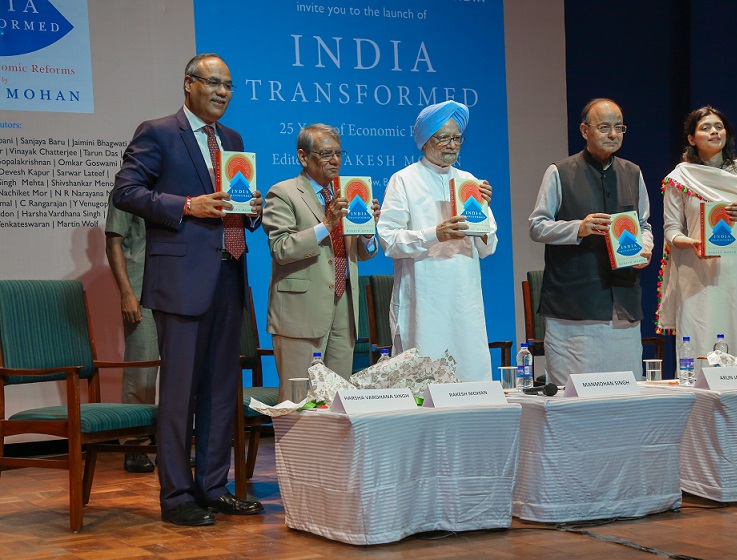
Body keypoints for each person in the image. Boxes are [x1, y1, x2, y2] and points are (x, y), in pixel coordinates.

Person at [112, 53, 265, 527]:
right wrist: (186, 205)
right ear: (188, 84)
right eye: (214, 83)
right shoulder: (158, 132)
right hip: (181, 282)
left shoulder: (233, 141)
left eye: (229, 86)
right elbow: (125, 191)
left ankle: (213, 487)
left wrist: (252, 209)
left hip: (229, 275)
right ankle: (177, 495)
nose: (222, 92)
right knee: (179, 393)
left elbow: (233, 204)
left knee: (221, 391)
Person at [529, 98, 653, 385]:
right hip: (574, 308)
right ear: (585, 130)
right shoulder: (560, 172)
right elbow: (537, 226)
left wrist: (645, 247)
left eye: (619, 127)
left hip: (622, 303)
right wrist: (578, 228)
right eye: (604, 127)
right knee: (574, 394)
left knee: (623, 392)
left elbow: (644, 224)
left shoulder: (633, 172)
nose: (613, 134)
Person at [377, 100, 498, 382]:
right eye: (443, 138)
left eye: (457, 138)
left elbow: (488, 246)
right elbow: (389, 240)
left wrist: (481, 217)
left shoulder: (470, 181)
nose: (452, 145)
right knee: (424, 378)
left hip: (464, 297)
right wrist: (435, 234)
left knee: (469, 373)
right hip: (423, 299)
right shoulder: (404, 180)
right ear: (425, 141)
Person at [656, 105, 737, 362]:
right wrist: (692, 243)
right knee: (700, 343)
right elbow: (671, 231)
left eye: (718, 127)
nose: (714, 132)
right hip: (698, 276)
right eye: (705, 128)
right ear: (691, 138)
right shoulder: (680, 177)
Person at [264, 124, 379, 383]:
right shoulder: (283, 192)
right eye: (326, 154)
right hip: (301, 311)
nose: (335, 160)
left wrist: (368, 232)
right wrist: (326, 225)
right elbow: (281, 248)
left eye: (339, 153)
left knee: (338, 396)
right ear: (303, 156)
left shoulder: (347, 193)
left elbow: (361, 254)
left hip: (344, 308)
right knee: (299, 397)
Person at [104, 200, 159, 474]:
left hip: (175, 289)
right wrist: (126, 293)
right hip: (140, 289)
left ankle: (172, 445)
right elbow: (113, 243)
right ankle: (135, 444)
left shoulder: (173, 185)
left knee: (180, 372)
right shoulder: (126, 189)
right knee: (141, 370)